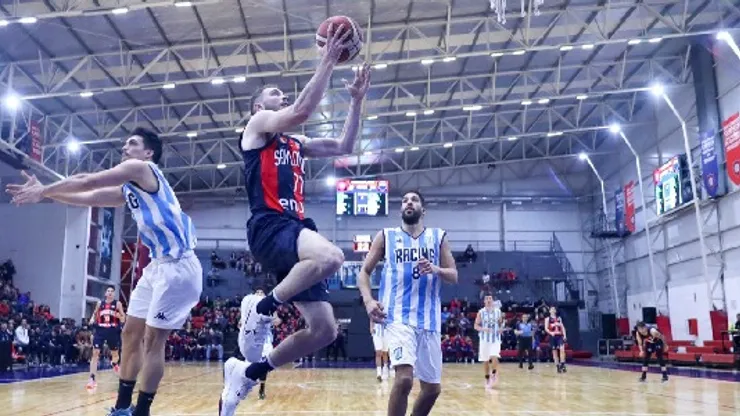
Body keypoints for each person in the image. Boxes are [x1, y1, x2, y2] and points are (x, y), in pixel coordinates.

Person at [217, 23, 371, 416]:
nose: (280, 96)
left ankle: (249, 373)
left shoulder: (295, 143)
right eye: (273, 94)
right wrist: (328, 60)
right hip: (270, 224)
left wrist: (356, 101)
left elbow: (344, 146)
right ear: (258, 107)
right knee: (333, 258)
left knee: (324, 331)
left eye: (281, 94)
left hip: (296, 227)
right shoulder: (256, 130)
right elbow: (302, 110)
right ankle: (264, 307)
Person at [6, 127, 202, 416]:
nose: (125, 148)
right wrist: (46, 196)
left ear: (148, 152)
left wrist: (44, 189)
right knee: (130, 334)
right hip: (157, 267)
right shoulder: (131, 189)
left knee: (153, 340)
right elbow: (91, 196)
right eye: (124, 144)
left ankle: (141, 410)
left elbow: (89, 180)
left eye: (132, 144)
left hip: (179, 266)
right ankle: (122, 407)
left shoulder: (142, 168)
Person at [357, 190, 458, 416]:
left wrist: (436, 269)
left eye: (414, 200)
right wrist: (368, 300)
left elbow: (454, 275)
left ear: (423, 209)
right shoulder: (386, 236)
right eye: (404, 200)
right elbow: (364, 272)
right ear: (401, 209)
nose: (408, 203)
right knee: (404, 380)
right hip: (397, 317)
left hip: (429, 320)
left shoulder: (438, 236)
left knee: (432, 389)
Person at [87, 286, 126, 390]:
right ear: (105, 293)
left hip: (112, 331)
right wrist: (91, 319)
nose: (109, 293)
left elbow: (123, 317)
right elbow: (95, 314)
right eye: (108, 291)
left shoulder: (117, 304)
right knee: (95, 353)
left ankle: (114, 363)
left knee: (115, 354)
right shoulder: (100, 303)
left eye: (112, 291)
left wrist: (120, 321)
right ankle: (92, 378)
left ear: (114, 294)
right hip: (100, 330)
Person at [474, 293, 503, 389]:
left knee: (494, 356)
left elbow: (500, 323)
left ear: (492, 300)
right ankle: (487, 378)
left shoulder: (498, 311)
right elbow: (476, 326)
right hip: (484, 339)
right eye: (487, 299)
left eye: (490, 298)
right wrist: (483, 329)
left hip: (495, 338)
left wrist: (501, 328)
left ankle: (494, 373)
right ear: (484, 301)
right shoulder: (481, 312)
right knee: (485, 361)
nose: (489, 300)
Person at [545, 306, 567, 373]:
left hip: (559, 336)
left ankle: (562, 364)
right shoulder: (547, 319)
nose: (553, 310)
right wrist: (550, 332)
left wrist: (565, 335)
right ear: (549, 311)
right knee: (554, 352)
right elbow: (546, 328)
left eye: (554, 309)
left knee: (562, 349)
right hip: (553, 336)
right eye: (551, 309)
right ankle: (557, 366)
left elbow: (562, 327)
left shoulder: (559, 318)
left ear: (555, 311)